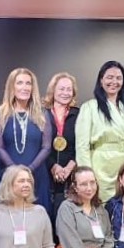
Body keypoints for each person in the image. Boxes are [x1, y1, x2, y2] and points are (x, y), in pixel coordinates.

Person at [76, 61, 124, 202]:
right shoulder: (90, 107)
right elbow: (82, 146)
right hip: (102, 170)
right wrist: (86, 176)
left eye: (118, 78)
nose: (114, 82)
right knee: (104, 208)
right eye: (109, 77)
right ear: (101, 80)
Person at [0, 68, 52, 211]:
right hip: (9, 176)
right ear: (12, 86)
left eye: (28, 83)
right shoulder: (2, 113)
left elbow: (46, 147)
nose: (25, 87)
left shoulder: (42, 113)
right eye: (20, 83)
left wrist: (30, 169)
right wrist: (14, 170)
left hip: (37, 174)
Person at [42, 72, 79, 220]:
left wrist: (70, 167)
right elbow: (38, 144)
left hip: (71, 174)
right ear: (53, 90)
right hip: (46, 172)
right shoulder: (41, 114)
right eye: (61, 89)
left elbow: (83, 145)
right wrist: (53, 166)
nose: (65, 93)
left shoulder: (79, 114)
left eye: (69, 89)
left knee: (67, 218)